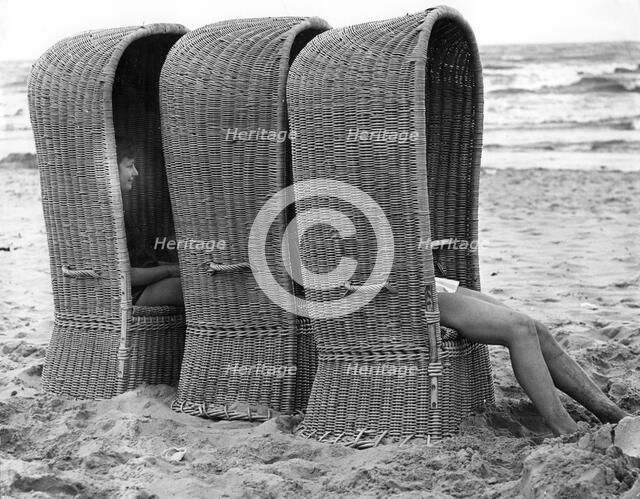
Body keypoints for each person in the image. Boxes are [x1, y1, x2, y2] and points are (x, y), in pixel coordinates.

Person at [434, 276, 628, 436]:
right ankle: (566, 430)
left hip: (427, 280)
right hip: (409, 290)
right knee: (520, 330)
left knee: (535, 329)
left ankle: (611, 413)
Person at [118, 139, 184, 307]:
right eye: (129, 166)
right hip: (134, 294)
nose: (136, 172)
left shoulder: (121, 210)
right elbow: (127, 275)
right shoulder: (111, 218)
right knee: (195, 288)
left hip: (146, 286)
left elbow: (143, 263)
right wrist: (170, 270)